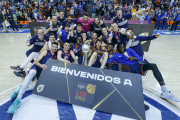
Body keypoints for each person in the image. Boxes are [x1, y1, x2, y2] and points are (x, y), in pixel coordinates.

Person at [107, 42, 180, 102]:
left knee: (153, 65)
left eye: (123, 47)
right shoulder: (115, 56)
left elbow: (139, 58)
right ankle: (130, 97)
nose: (122, 49)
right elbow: (109, 62)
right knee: (121, 66)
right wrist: (110, 63)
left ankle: (165, 91)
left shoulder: (129, 50)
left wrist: (134, 58)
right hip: (129, 68)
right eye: (120, 47)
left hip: (137, 65)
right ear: (117, 48)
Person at [7, 42, 59, 113]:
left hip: (42, 73)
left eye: (56, 47)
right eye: (53, 46)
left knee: (38, 86)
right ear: (51, 46)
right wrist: (41, 65)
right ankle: (18, 100)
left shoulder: (55, 57)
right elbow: (36, 61)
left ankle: (20, 88)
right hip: (37, 67)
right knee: (32, 72)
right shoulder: (45, 52)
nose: (55, 48)